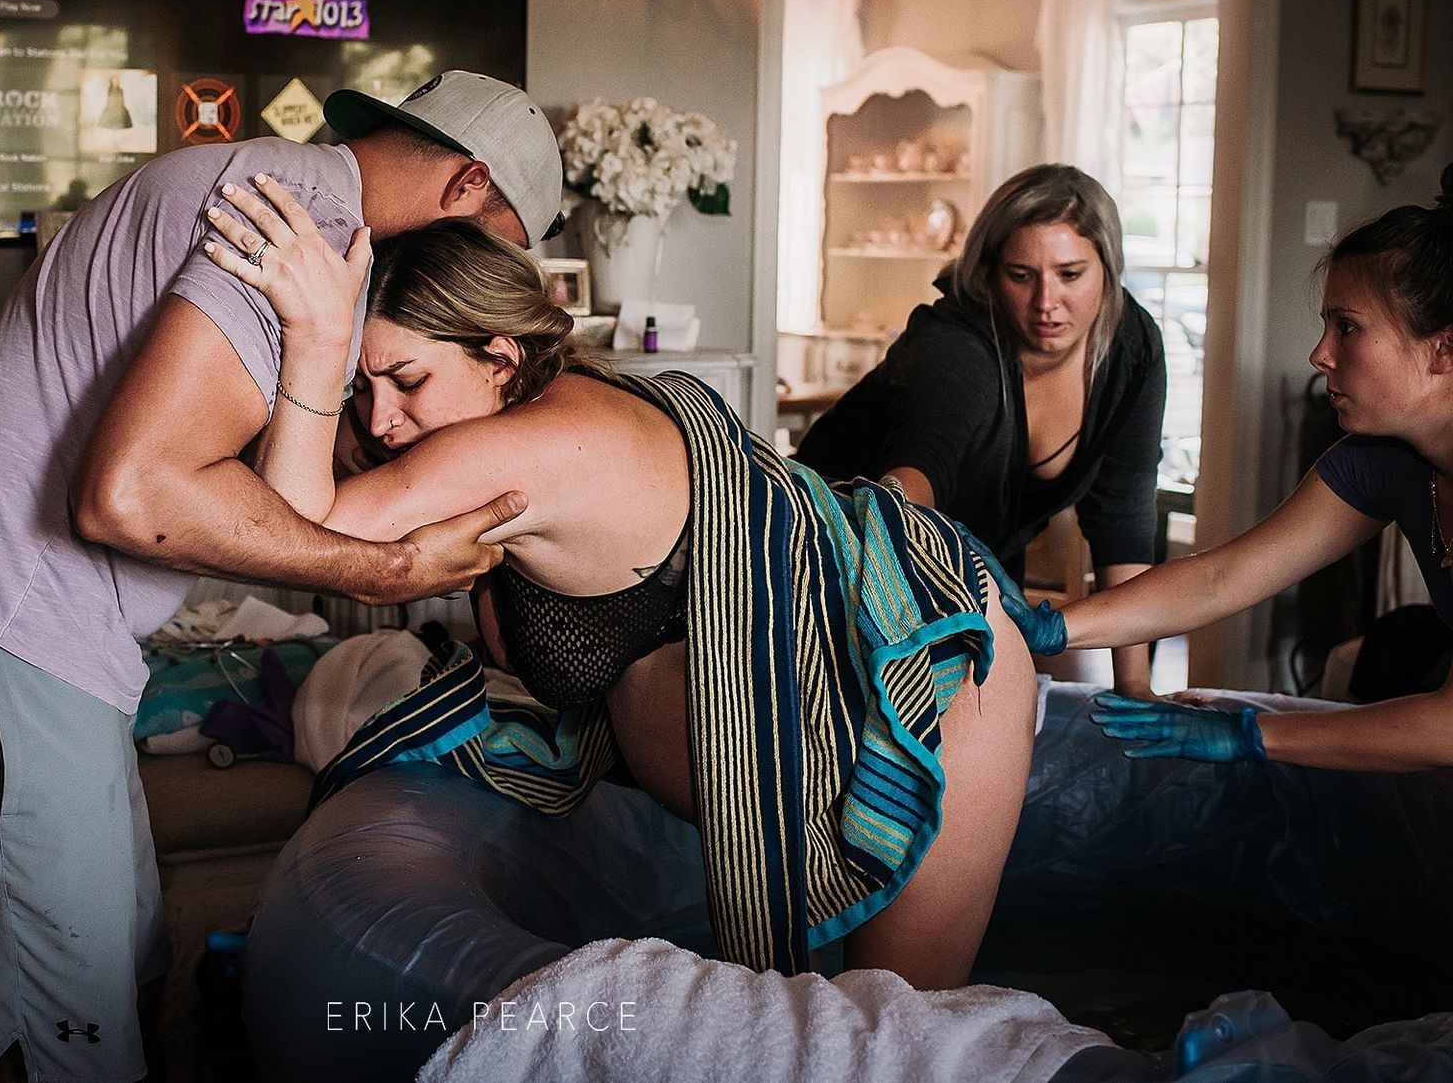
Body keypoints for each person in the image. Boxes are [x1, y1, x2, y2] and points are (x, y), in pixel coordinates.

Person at [0, 71, 562, 1083]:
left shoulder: (293, 215)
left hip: (17, 627)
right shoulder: (289, 219)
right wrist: (390, 565)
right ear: (469, 183)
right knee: (47, 1036)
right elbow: (129, 497)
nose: (478, 267)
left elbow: (269, 480)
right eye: (500, 238)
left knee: (120, 973)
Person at [203, 181, 1039, 991]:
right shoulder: (517, 409)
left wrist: (315, 344)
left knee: (897, 1044)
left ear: (499, 356)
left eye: (408, 381)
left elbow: (289, 538)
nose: (381, 420)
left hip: (937, 692)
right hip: (850, 699)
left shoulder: (513, 446)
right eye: (363, 387)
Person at [1009, 166, 1453, 770]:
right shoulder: (1383, 462)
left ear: (1444, 349)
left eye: (1347, 328)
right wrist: (1053, 629)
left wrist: (1253, 735)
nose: (1319, 354)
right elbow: (1222, 578)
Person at [795, 164, 1167, 697]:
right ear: (990, 273)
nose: (1046, 303)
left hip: (978, 554)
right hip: (837, 545)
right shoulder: (954, 345)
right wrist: (889, 513)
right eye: (1021, 275)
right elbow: (917, 477)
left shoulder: (1132, 348)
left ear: (1109, 268)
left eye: (1070, 273)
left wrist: (1135, 687)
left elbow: (1124, 520)